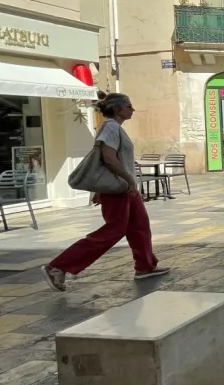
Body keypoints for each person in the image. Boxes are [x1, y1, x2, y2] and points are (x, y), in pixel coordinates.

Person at [41, 93, 169, 292]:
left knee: (139, 225)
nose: (132, 109)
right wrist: (127, 179)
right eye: (128, 105)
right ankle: (58, 266)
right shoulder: (110, 126)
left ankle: (145, 266)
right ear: (117, 109)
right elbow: (108, 158)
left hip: (125, 187)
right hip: (120, 187)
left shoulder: (115, 127)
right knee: (113, 230)